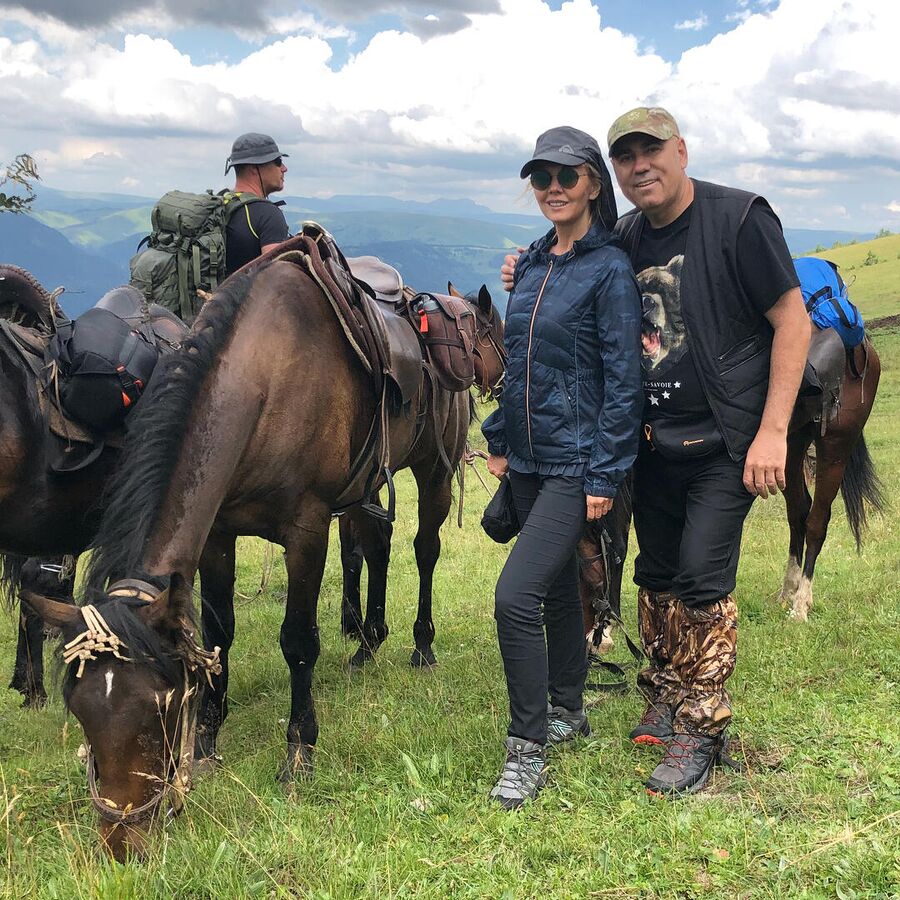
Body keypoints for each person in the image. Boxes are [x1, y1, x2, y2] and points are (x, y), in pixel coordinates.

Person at [500, 108, 811, 797]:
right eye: (626, 158)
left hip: (728, 438)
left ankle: (700, 727)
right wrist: (522, 262)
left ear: (681, 150)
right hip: (653, 443)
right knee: (657, 575)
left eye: (652, 152)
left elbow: (792, 319)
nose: (640, 166)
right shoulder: (630, 232)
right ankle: (667, 693)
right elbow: (570, 248)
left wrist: (773, 431)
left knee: (702, 580)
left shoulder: (739, 219)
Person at [483, 126, 643, 810]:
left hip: (576, 463)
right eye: (541, 177)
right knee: (548, 592)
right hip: (525, 456)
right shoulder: (534, 264)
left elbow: (623, 378)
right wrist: (496, 435)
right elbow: (518, 363)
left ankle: (527, 750)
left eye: (566, 176)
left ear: (592, 185)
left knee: (512, 597)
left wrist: (605, 473)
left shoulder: (607, 270)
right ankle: (570, 709)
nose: (552, 187)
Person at [223, 132, 291, 276]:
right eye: (278, 161)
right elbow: (277, 278)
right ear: (254, 168)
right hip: (245, 299)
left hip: (208, 296)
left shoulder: (221, 204)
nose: (284, 168)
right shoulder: (268, 214)